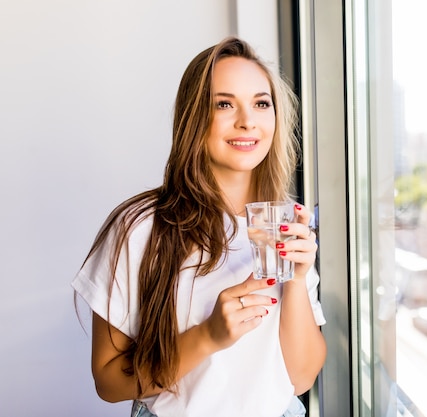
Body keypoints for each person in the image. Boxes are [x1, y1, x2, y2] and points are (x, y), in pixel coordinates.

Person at [72, 36, 327, 417]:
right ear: (194, 117)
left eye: (261, 103)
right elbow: (109, 382)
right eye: (224, 104)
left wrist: (296, 279)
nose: (247, 121)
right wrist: (207, 336)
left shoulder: (286, 222)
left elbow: (302, 378)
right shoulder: (141, 227)